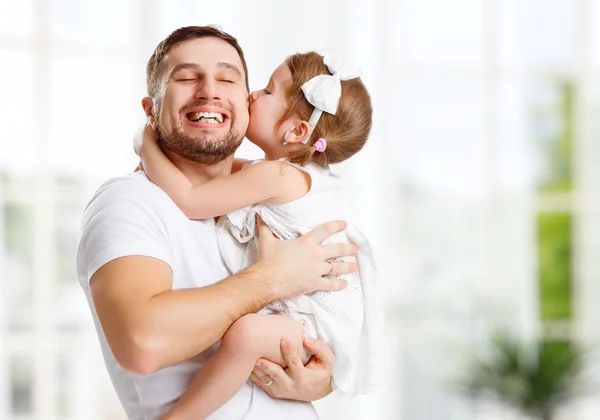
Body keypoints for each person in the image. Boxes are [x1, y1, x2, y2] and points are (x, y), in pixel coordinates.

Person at [76, 26, 358, 420]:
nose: (209, 90)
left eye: (227, 78)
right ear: (151, 110)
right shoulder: (130, 202)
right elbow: (143, 343)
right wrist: (272, 278)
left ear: (244, 106)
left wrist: (317, 377)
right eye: (187, 77)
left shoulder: (253, 201)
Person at [134, 49, 382, 420]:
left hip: (308, 326)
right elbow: (217, 169)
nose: (253, 95)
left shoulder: (276, 177)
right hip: (309, 327)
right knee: (248, 334)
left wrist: (146, 146)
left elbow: (190, 200)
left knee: (248, 335)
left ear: (296, 131)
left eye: (267, 91)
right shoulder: (288, 173)